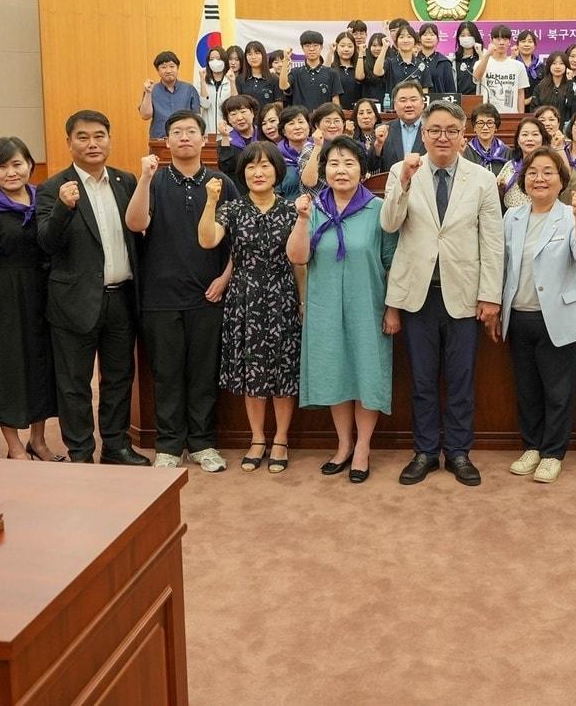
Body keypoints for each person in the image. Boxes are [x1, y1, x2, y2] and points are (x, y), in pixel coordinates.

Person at [381, 100, 504, 487]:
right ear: (423, 133)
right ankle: (424, 451)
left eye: (451, 130)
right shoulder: (403, 172)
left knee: (461, 378)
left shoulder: (482, 178)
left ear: (463, 135)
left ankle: (459, 452)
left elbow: (493, 241)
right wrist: (402, 181)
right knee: (421, 379)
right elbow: (389, 224)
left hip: (464, 294)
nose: (443, 137)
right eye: (435, 130)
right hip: (418, 295)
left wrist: (490, 295)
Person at [126, 111, 237, 472]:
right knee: (167, 374)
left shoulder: (222, 182)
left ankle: (203, 443)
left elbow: (239, 238)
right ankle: (169, 446)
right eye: (177, 132)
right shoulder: (153, 181)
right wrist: (144, 179)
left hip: (209, 294)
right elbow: (136, 223)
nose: (185, 137)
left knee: (203, 373)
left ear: (204, 140)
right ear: (166, 140)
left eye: (192, 131)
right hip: (160, 297)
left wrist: (225, 278)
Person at [36, 110, 149, 465]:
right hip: (73, 301)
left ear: (110, 140)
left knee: (118, 378)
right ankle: (81, 451)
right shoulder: (53, 188)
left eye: (99, 135)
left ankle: (115, 446)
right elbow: (45, 244)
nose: (92, 143)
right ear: (68, 143)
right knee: (75, 384)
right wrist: (64, 209)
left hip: (122, 298)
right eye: (83, 137)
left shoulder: (126, 181)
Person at [287, 136, 399, 483]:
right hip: (325, 306)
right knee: (336, 372)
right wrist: (303, 220)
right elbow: (297, 257)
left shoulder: (378, 209)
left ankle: (363, 447)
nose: (341, 170)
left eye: (349, 163)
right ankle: (343, 444)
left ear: (363, 170)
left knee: (367, 372)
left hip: (368, 304)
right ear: (324, 170)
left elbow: (393, 264)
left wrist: (393, 310)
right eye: (334, 163)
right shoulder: (313, 207)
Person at [199, 141, 302, 472]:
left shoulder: (291, 210)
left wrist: (303, 300)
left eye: (265, 166)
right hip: (245, 299)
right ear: (243, 173)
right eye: (251, 167)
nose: (258, 172)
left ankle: (281, 439)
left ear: (277, 171)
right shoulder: (232, 209)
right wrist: (211, 201)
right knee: (252, 373)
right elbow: (207, 240)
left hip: (284, 298)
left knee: (283, 374)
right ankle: (257, 439)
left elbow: (299, 263)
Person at [497, 149, 576, 483]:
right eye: (533, 172)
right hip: (520, 316)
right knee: (527, 389)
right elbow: (504, 266)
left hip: (559, 316)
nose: (539, 178)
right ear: (524, 179)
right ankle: (532, 446)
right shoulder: (512, 216)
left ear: (561, 180)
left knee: (558, 391)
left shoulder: (570, 214)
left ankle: (553, 453)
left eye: (547, 172)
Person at [0, 136, 59, 461]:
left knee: (41, 363)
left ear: (30, 165)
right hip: (4, 292)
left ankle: (38, 439)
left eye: (17, 164)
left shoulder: (44, 198)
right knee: (8, 366)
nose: (11, 172)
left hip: (43, 289)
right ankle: (14, 445)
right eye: (2, 166)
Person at [139, 50, 200, 139]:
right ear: (157, 70)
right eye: (163, 67)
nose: (168, 71)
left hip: (184, 140)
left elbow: (197, 117)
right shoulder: (152, 89)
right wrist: (148, 93)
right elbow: (145, 115)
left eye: (172, 66)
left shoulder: (189, 89)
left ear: (177, 68)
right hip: (159, 140)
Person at [473, 24, 529, 113]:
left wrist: (520, 116)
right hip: (487, 116)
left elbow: (520, 94)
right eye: (498, 39)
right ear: (491, 40)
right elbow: (476, 78)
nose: (501, 43)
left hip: (510, 116)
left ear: (509, 42)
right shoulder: (481, 63)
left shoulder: (518, 66)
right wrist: (487, 55)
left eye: (505, 39)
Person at [282, 30, 344, 109]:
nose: (311, 49)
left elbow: (336, 102)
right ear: (302, 48)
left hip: (323, 119)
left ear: (321, 47)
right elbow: (283, 86)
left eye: (315, 45)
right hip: (301, 119)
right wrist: (285, 60)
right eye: (307, 46)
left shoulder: (331, 73)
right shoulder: (295, 72)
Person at [376, 79, 427, 171]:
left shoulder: (432, 130)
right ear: (395, 105)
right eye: (403, 100)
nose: (408, 105)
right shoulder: (384, 131)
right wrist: (378, 144)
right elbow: (371, 166)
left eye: (413, 100)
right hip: (391, 184)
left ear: (422, 103)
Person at [299, 103, 351, 193]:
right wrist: (318, 147)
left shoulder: (348, 147)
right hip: (315, 203)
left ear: (343, 124)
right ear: (317, 125)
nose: (332, 125)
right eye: (327, 121)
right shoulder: (310, 147)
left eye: (337, 121)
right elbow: (309, 182)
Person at [500, 115, 547, 210]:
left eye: (535, 134)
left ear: (542, 139)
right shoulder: (509, 165)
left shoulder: (549, 166)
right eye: (525, 134)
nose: (529, 139)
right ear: (517, 140)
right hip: (511, 219)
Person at [532, 51, 576, 119]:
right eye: (554, 63)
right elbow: (534, 110)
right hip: (545, 125)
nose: (557, 67)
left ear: (567, 67)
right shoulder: (540, 87)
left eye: (561, 64)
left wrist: (570, 82)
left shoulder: (573, 85)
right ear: (549, 66)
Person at [217, 93, 260, 182]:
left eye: (243, 112)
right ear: (228, 119)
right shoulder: (226, 141)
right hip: (238, 190)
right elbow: (226, 168)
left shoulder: (263, 135)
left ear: (252, 113)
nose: (239, 118)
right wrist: (225, 137)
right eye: (233, 114)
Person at [274, 105, 312, 199]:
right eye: (291, 123)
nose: (297, 127)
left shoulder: (319, 151)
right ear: (283, 131)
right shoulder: (276, 156)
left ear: (309, 126)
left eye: (301, 122)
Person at [197, 45, 235, 135]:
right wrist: (202, 80)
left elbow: (235, 104)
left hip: (227, 132)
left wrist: (232, 82)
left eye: (218, 59)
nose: (215, 62)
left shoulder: (230, 80)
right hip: (208, 132)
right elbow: (205, 104)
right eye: (211, 59)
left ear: (224, 60)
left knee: (226, 148)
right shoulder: (202, 82)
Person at [462, 104, 510, 176]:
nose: (485, 127)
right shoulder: (466, 151)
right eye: (480, 123)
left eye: (489, 123)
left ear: (496, 127)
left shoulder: (507, 152)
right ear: (474, 127)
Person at [414, 23, 458, 94]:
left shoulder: (444, 62)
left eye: (432, 35)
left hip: (439, 103)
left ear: (437, 39)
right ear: (420, 38)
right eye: (425, 35)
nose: (428, 38)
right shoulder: (413, 61)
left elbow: (450, 90)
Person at [239, 41, 281, 108]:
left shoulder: (274, 79)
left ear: (263, 55)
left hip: (267, 118)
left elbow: (279, 105)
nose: (253, 57)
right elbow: (237, 104)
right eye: (249, 54)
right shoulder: (240, 79)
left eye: (257, 53)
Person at [452, 21, 484, 94]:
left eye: (470, 35)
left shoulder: (483, 56)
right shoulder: (453, 60)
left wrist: (480, 54)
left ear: (475, 37)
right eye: (463, 35)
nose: (466, 38)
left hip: (479, 101)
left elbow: (484, 74)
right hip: (458, 101)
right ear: (458, 38)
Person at [350, 97, 382, 170]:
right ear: (356, 118)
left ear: (376, 117)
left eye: (369, 112)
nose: (365, 117)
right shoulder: (351, 137)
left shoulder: (383, 136)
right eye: (361, 113)